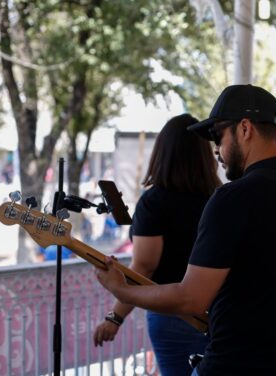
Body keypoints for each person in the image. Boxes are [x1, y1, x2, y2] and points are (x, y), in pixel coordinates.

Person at [95, 84, 276, 376]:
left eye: (218, 135)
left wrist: (120, 290)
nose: (216, 149)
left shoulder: (233, 198)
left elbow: (192, 298)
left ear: (245, 129)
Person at [93, 114, 222, 376]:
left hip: (172, 315)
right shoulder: (220, 199)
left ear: (162, 152)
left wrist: (115, 317)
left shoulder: (154, 203)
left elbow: (145, 267)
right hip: (219, 314)